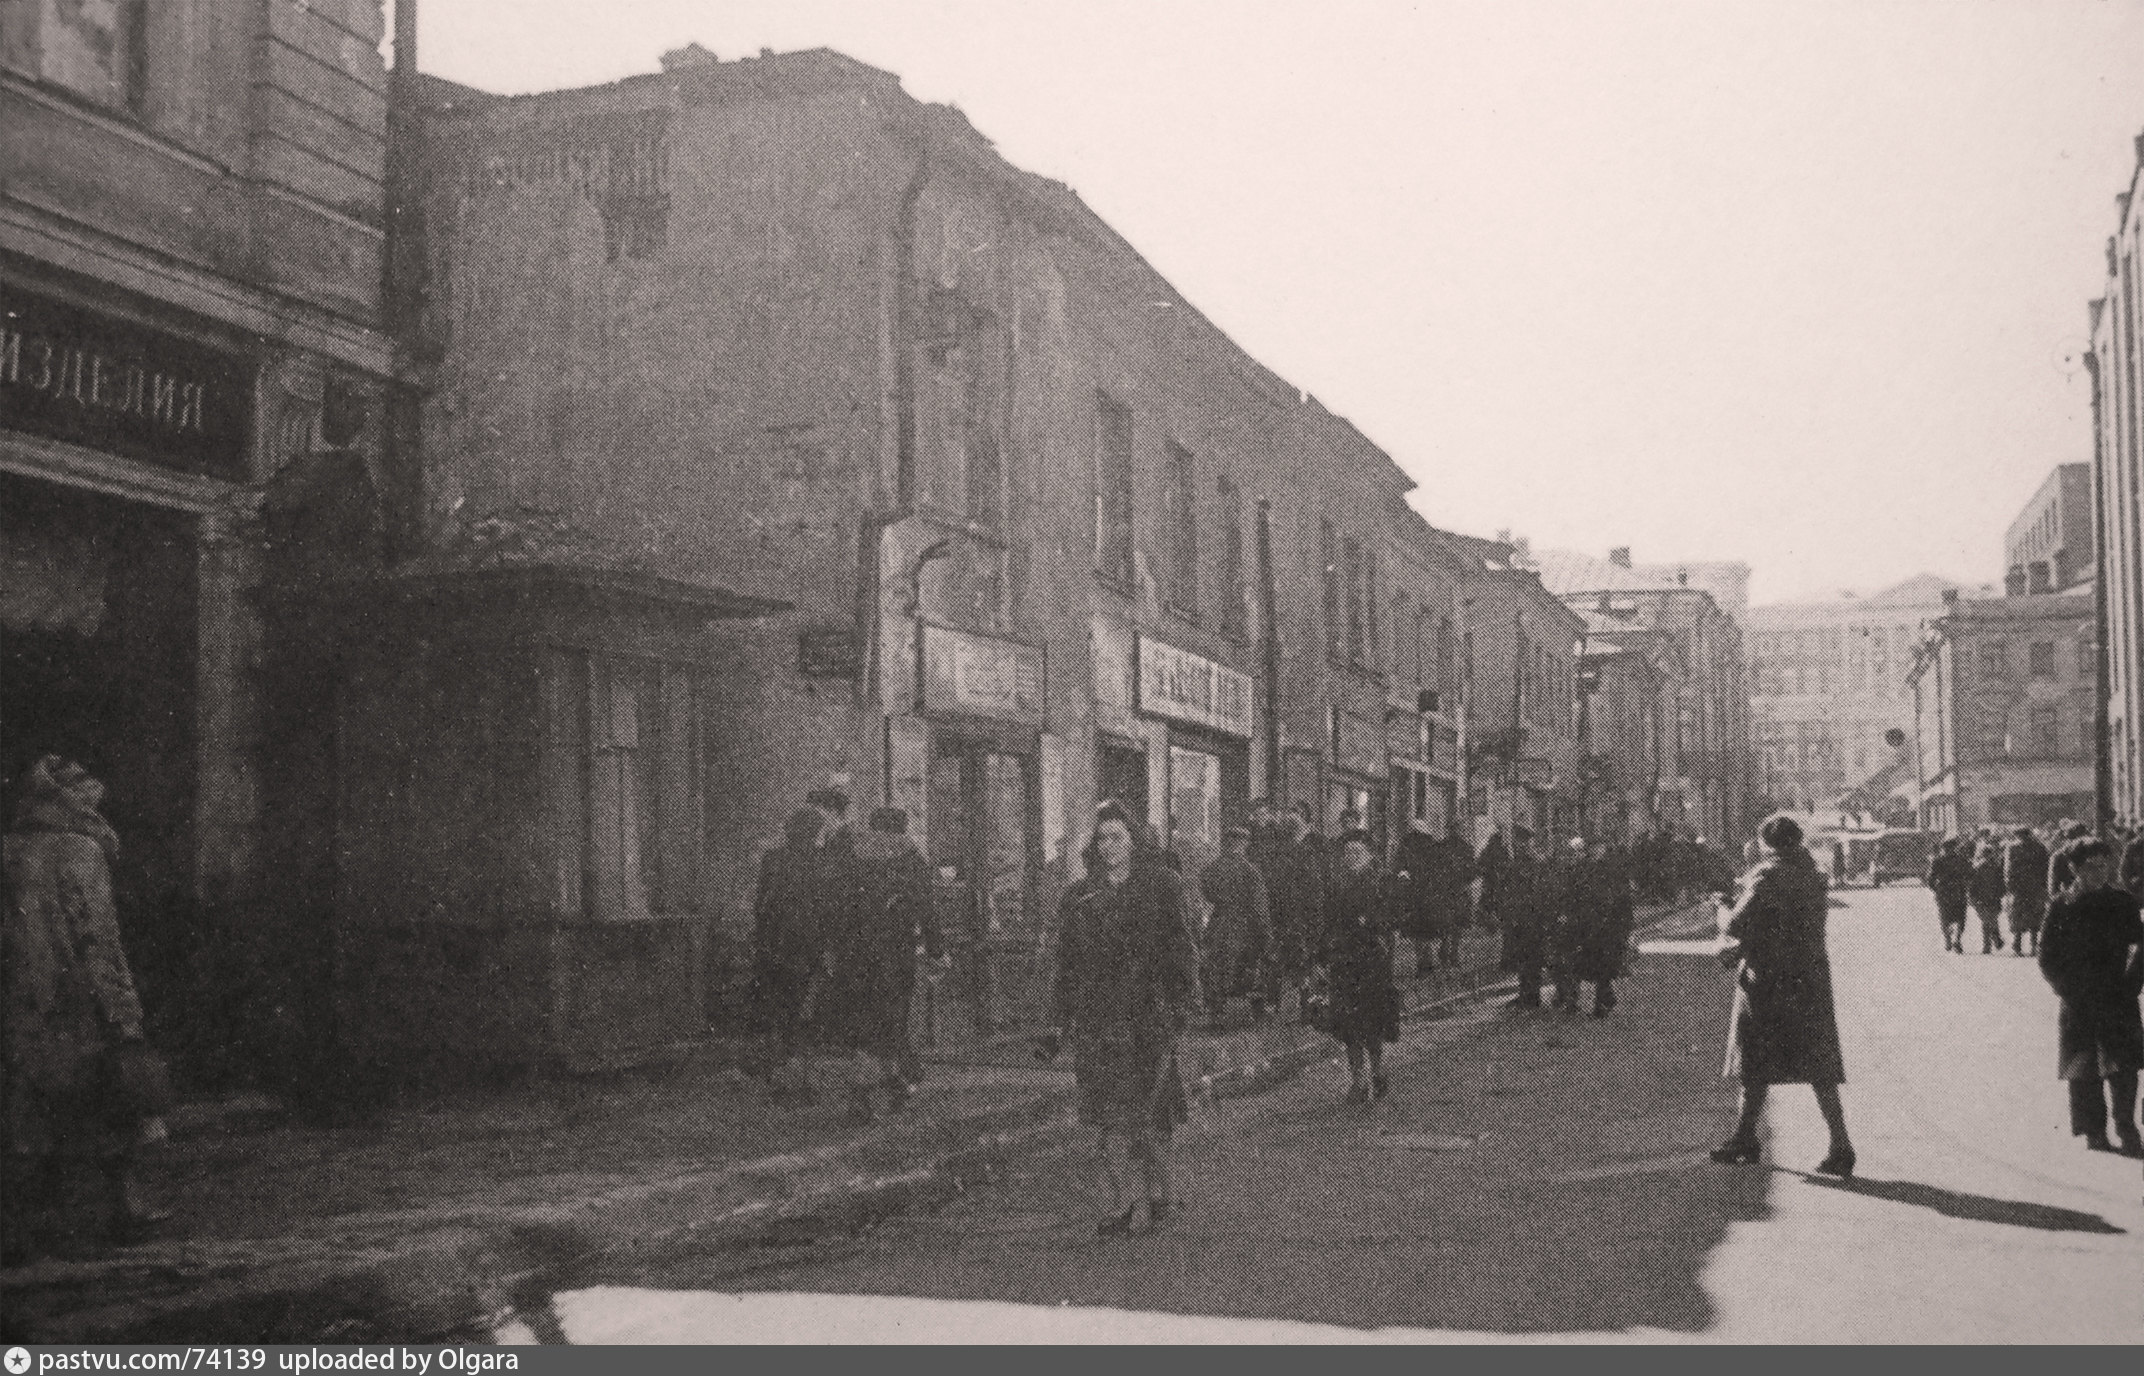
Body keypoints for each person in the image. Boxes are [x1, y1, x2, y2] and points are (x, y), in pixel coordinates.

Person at [3, 756, 170, 1262]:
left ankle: (21, 1230)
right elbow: (98, 940)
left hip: (21, 1005)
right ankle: (126, 1209)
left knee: (29, 1112)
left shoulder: (8, 851)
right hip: (78, 1005)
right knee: (112, 1102)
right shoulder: (81, 851)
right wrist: (124, 1014)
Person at [1040, 801, 1202, 1237]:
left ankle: (1160, 1193)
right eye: (1103, 838)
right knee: (1109, 1119)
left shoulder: (1161, 887)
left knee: (1149, 1116)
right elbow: (1067, 963)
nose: (1110, 846)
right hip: (1099, 1021)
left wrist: (1183, 1007)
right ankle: (1126, 1204)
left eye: (1118, 837)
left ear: (1134, 841)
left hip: (1149, 1018)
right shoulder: (1080, 895)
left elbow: (1182, 951)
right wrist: (1059, 1019)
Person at [1711, 813, 1856, 1177]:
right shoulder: (1813, 875)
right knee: (1818, 1066)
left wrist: (1722, 908)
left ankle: (1745, 1138)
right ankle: (1840, 1144)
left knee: (1755, 1062)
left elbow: (1737, 924)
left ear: (1767, 843)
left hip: (1768, 983)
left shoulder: (1766, 876)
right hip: (1809, 981)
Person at [820, 807, 945, 1121]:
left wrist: (830, 947)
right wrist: (935, 951)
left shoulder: (848, 853)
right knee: (888, 1020)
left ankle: (893, 1081)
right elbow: (927, 910)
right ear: (901, 829)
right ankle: (866, 1094)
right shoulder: (911, 858)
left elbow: (831, 904)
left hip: (853, 953)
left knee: (863, 1021)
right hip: (894, 952)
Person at [2035, 839, 2143, 1157]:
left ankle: (2127, 1127)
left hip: (2117, 995)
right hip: (2078, 998)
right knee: (2083, 1069)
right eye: (2092, 867)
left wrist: (2132, 984)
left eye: (2104, 865)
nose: (2100, 872)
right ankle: (2094, 1131)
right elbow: (2046, 955)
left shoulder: (2122, 902)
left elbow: (2140, 946)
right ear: (2075, 869)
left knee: (2123, 1067)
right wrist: (2066, 988)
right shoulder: (2061, 906)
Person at [750, 807, 827, 1102]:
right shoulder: (820, 861)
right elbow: (826, 907)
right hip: (807, 947)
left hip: (774, 946)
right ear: (814, 832)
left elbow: (761, 904)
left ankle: (780, 1079)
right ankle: (801, 1081)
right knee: (803, 1014)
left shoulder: (773, 859)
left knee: (779, 1013)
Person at [1319, 828, 1402, 1103]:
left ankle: (1378, 1069)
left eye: (1357, 852)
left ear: (1368, 854)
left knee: (1372, 1022)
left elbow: (1390, 918)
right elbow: (1328, 921)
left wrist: (1372, 923)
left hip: (1371, 962)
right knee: (1347, 1025)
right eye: (1347, 853)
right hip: (1344, 962)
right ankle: (1358, 1081)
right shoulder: (1337, 884)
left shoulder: (1380, 882)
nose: (1351, 857)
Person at [1197, 825, 1270, 1024]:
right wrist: (1265, 931)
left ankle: (1216, 1011)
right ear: (1244, 844)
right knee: (1250, 965)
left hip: (1219, 921)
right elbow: (1259, 905)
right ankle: (1257, 1012)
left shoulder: (1212, 869)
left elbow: (1206, 893)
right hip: (1244, 924)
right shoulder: (1251, 871)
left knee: (1217, 964)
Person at [1499, 827, 1552, 1009]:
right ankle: (1525, 993)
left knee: (1532, 957)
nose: (1518, 845)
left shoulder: (1534, 864)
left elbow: (1539, 892)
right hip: (1517, 918)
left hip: (1532, 918)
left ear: (1528, 842)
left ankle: (1532, 996)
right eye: (1517, 841)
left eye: (1522, 842)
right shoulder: (1515, 864)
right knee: (1520, 957)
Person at [1392, 819, 1443, 978]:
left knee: (1418, 932)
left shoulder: (1406, 845)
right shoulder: (1432, 845)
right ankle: (1427, 963)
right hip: (1428, 894)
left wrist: (1403, 876)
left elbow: (1399, 868)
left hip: (1414, 894)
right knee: (1426, 930)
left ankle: (1424, 963)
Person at [1429, 823, 1478, 970]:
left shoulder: (1440, 847)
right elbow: (1472, 872)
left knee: (1450, 923)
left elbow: (1434, 870)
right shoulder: (1466, 848)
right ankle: (1451, 953)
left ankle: (1448, 952)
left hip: (1447, 891)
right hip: (1458, 891)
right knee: (1456, 923)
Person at [2004, 826, 2051, 958]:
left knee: (2018, 913)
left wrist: (2009, 885)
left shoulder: (2012, 848)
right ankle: (2034, 944)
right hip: (2035, 886)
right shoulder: (2039, 847)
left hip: (2019, 887)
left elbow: (2008, 869)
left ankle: (2018, 943)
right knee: (2035, 912)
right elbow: (2046, 866)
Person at [1926, 838, 1972, 954]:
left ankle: (1948, 938)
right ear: (1954, 848)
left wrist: (1936, 890)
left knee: (1944, 918)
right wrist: (1966, 885)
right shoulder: (1961, 860)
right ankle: (1957, 940)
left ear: (1943, 848)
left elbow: (1930, 879)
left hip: (1943, 893)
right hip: (1959, 892)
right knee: (1960, 918)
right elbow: (1971, 875)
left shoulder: (1937, 861)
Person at [1968, 840, 2008, 955]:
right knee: (1991, 919)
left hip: (1983, 898)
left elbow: (1972, 884)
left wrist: (1971, 896)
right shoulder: (1995, 866)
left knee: (1986, 921)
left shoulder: (1978, 867)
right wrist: (2002, 893)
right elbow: (2001, 882)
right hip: (1993, 897)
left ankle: (1989, 945)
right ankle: (1995, 940)